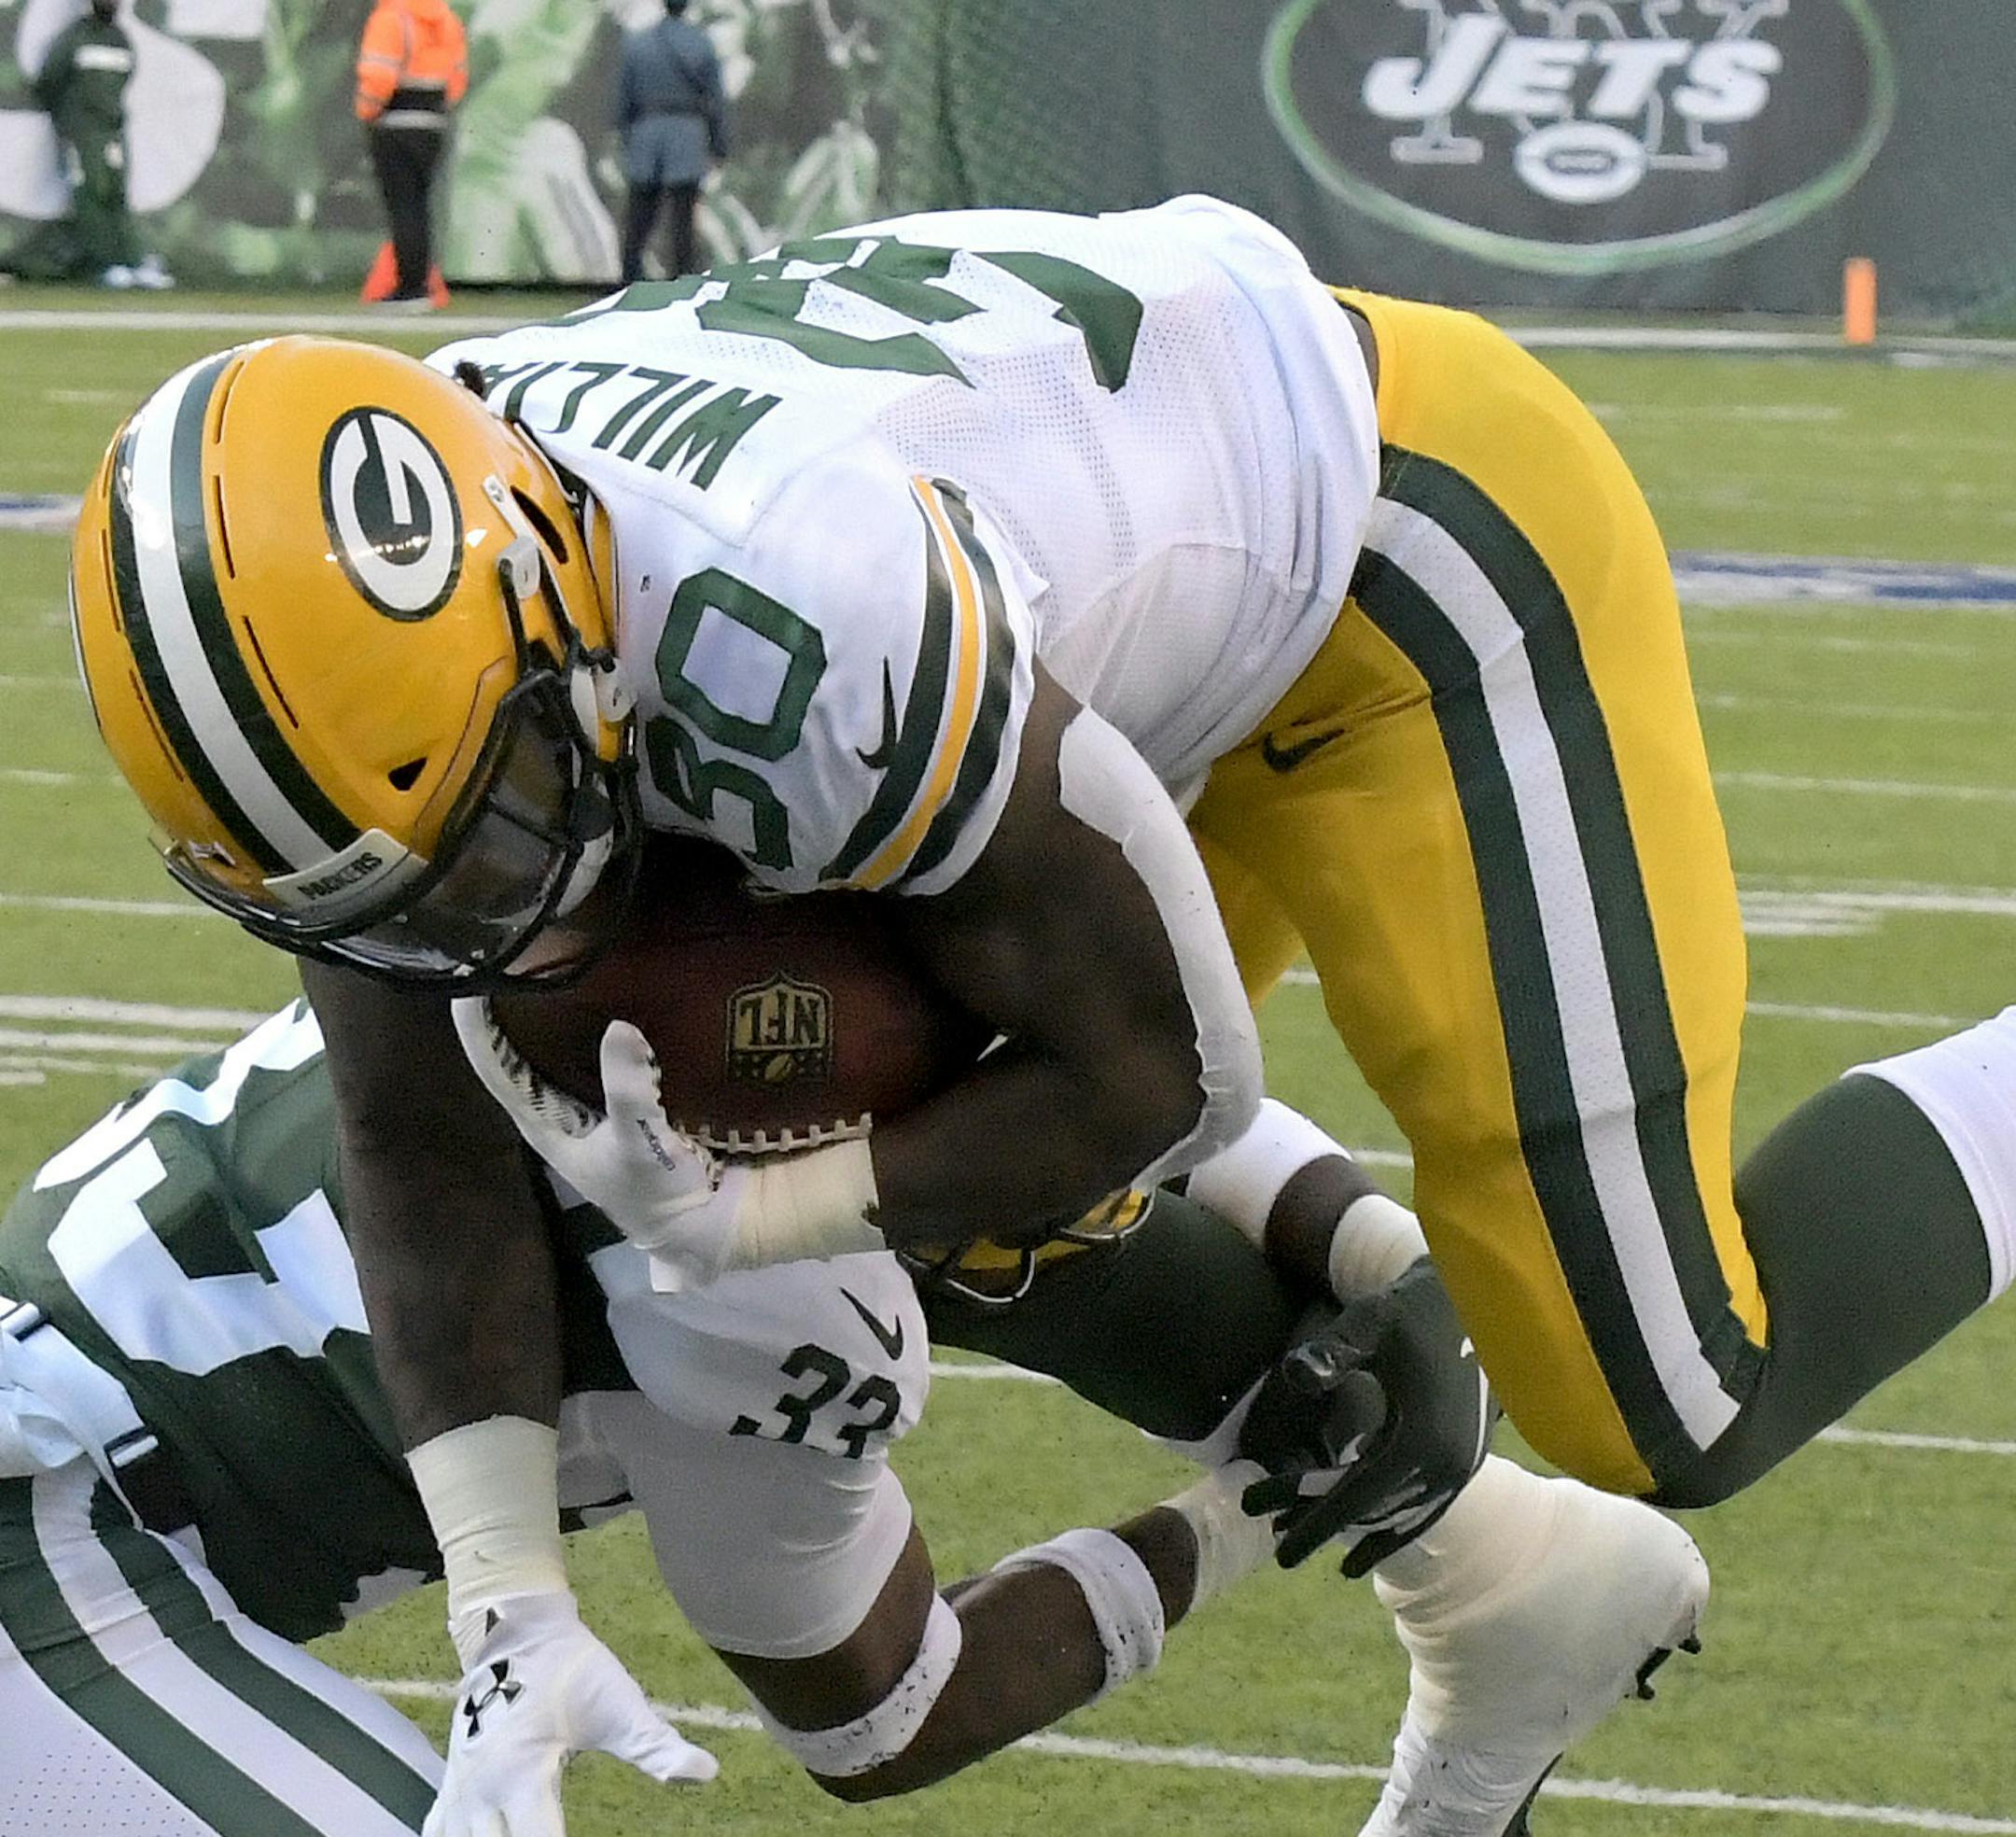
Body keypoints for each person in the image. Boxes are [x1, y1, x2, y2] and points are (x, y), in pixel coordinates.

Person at [68, 190, 2006, 1819]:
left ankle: (1525, 1494)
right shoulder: (364, 714)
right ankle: (1497, 1583)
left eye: (497, 832)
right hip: (1055, 656)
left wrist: (774, 1215)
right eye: (429, 886)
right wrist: (505, 1602)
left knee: (1660, 1388)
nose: (506, 914)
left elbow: (1161, 1076)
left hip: (1388, 556)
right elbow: (419, 1128)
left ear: (538, 594)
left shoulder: (786, 624)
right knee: (923, 1142)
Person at [0, 1002, 1702, 1835]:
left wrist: (1378, 1246)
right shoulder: (765, 1296)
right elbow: (887, 1716)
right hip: (47, 1541)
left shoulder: (681, 989)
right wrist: (1253, 1514)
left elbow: (1097, 1060)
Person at [28, 0, 169, 289]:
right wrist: (71, 116)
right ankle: (104, 262)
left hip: (112, 131)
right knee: (89, 194)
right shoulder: (75, 37)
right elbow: (50, 79)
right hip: (82, 131)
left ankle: (129, 259)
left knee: (115, 192)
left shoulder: (120, 39)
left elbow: (125, 79)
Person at [355, 0, 469, 309]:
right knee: (419, 208)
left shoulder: (390, 17)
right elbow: (457, 79)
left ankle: (411, 286)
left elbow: (379, 75)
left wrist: (366, 110)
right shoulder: (447, 19)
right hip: (432, 122)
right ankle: (420, 281)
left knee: (402, 207)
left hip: (395, 121)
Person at [615, 0, 729, 285]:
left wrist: (626, 135)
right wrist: (719, 143)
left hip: (647, 130)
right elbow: (715, 100)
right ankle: (682, 280)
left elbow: (624, 98)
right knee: (683, 219)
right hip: (686, 132)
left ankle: (629, 278)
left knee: (640, 215)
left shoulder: (638, 43)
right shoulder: (700, 43)